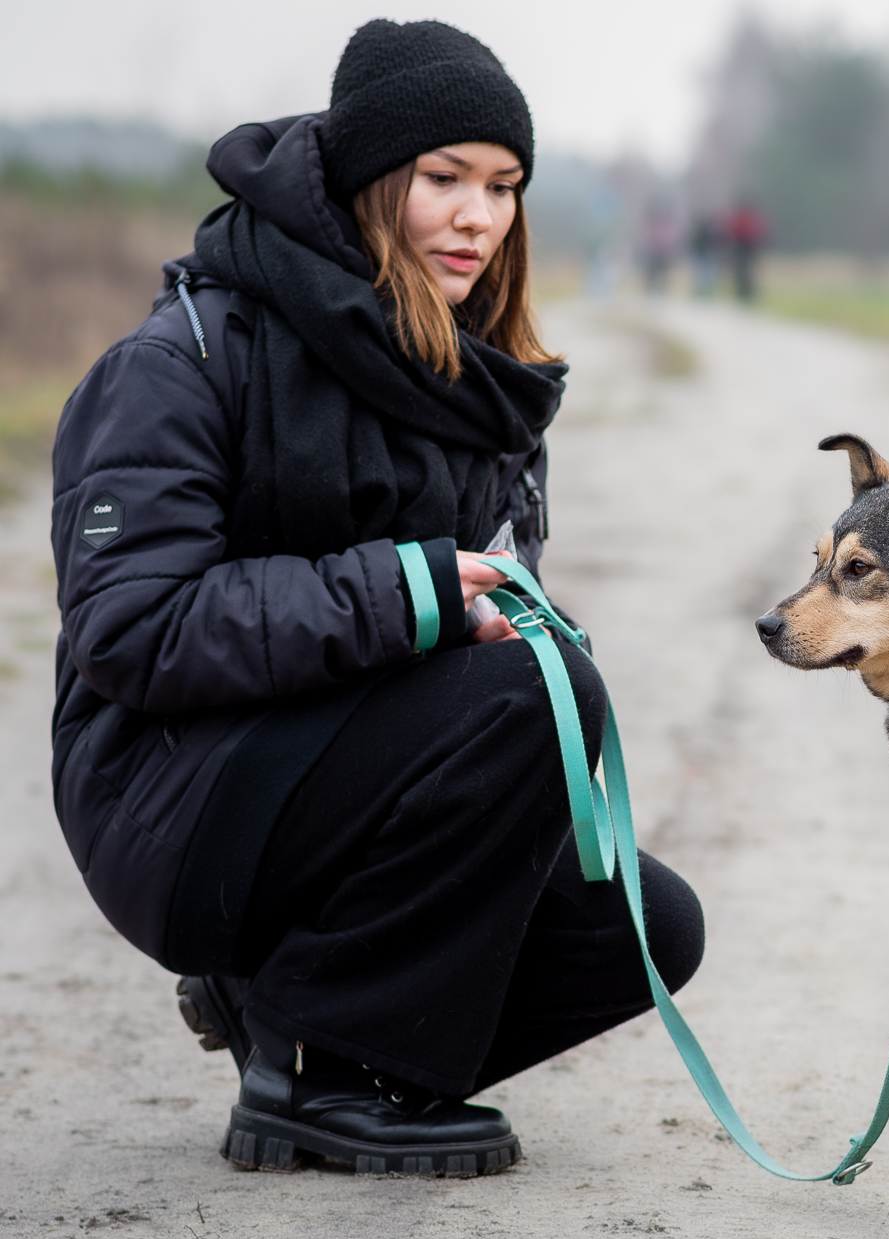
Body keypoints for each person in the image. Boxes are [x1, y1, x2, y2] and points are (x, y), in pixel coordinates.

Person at [49, 19, 704, 1176]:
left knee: (645, 927)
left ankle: (289, 1006)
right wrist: (411, 594)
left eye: (503, 186)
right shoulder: (186, 357)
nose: (477, 217)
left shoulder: (470, 381)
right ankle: (318, 1075)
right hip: (170, 797)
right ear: (369, 182)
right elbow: (130, 629)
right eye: (444, 179)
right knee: (523, 700)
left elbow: (451, 665)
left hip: (323, 798)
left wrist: (500, 619)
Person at [724, 198, 767, 303]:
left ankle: (743, 291)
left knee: (741, 271)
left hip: (740, 246)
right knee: (748, 270)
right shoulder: (752, 217)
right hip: (749, 246)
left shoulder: (739, 217)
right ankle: (747, 291)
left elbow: (731, 231)